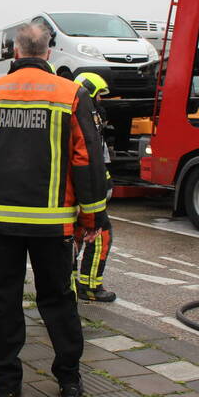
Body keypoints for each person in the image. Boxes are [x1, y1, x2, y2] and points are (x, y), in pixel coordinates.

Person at [0, 22, 107, 397]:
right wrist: (92, 218)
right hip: (53, 224)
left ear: (15, 53)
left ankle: (5, 386)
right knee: (58, 301)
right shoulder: (71, 94)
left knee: (0, 302)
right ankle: (69, 380)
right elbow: (85, 158)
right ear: (48, 53)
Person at [72, 72, 117, 303]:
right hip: (81, 196)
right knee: (100, 235)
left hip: (74, 195)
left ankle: (69, 289)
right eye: (99, 96)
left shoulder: (85, 119)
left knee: (72, 239)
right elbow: (88, 162)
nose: (101, 102)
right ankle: (90, 287)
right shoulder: (84, 122)